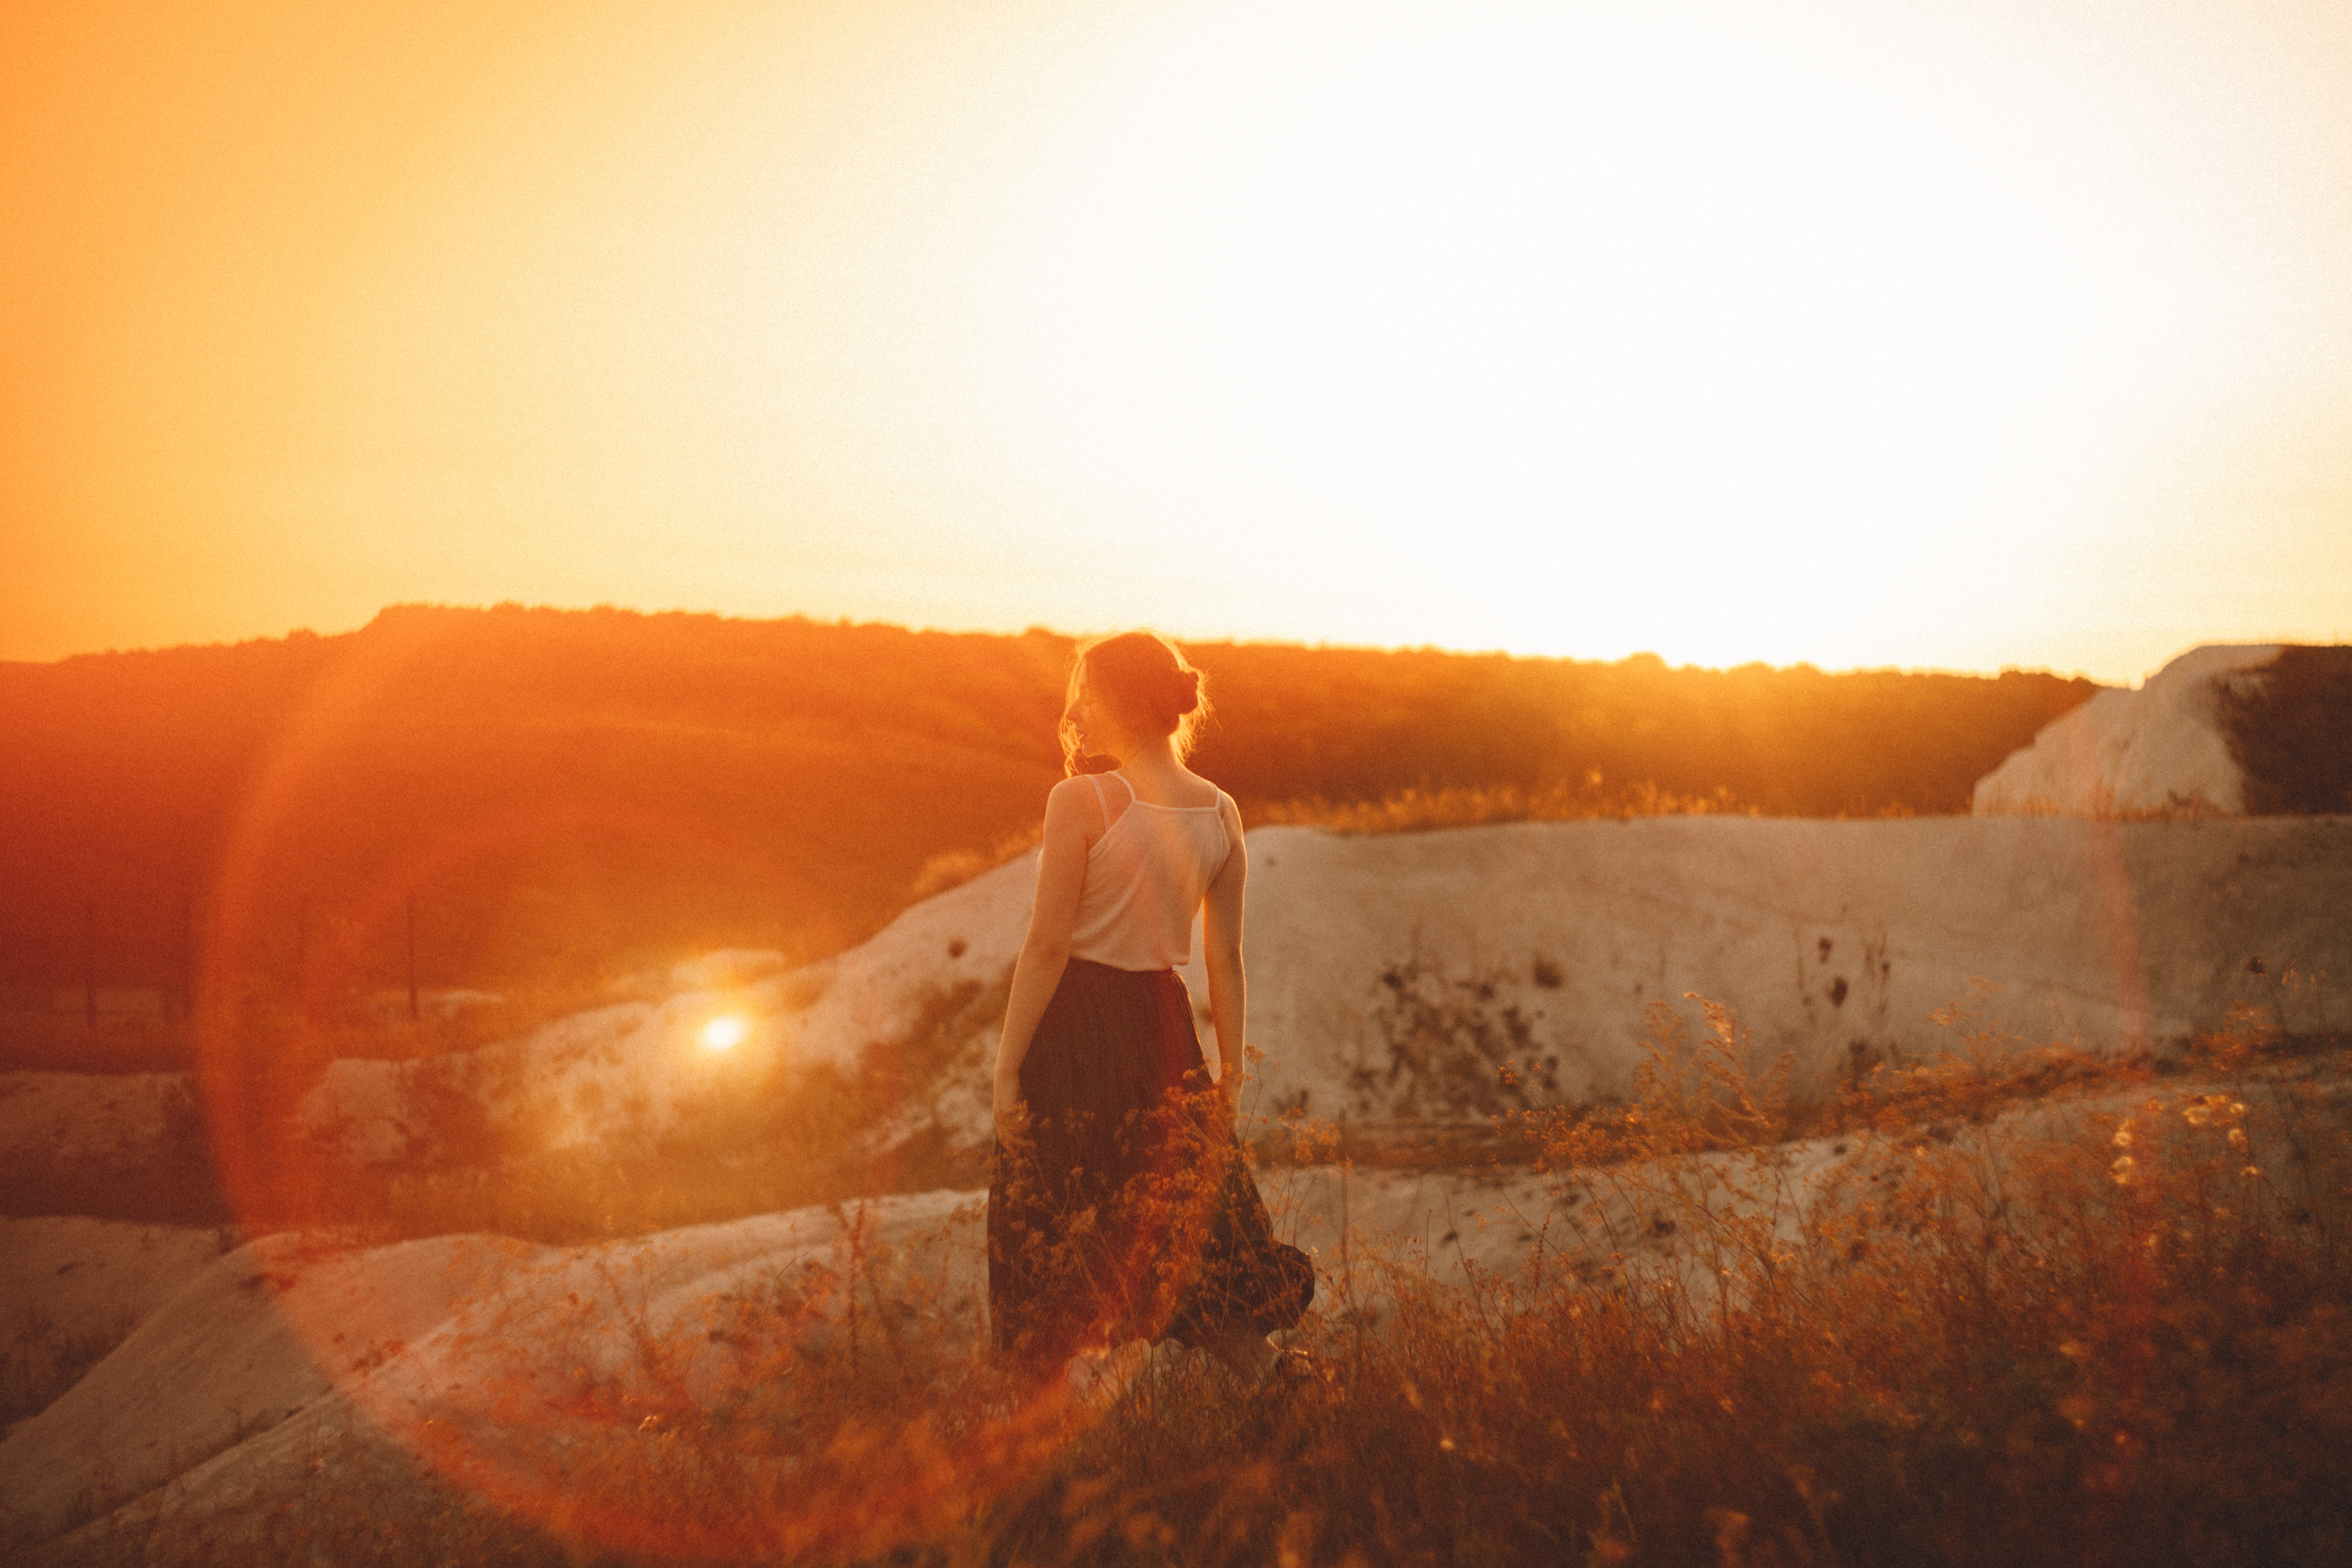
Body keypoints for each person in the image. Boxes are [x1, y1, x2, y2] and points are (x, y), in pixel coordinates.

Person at [987, 631, 1314, 1386]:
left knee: (1051, 1227)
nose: (1077, 711)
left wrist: (1006, 1069)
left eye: (1087, 695)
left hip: (1076, 1028)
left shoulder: (1083, 798)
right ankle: (1272, 1383)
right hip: (1165, 1030)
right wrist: (1230, 1074)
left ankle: (1026, 1444)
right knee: (1182, 1229)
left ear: (1119, 704)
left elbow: (1045, 947)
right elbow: (1225, 959)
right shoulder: (1222, 812)